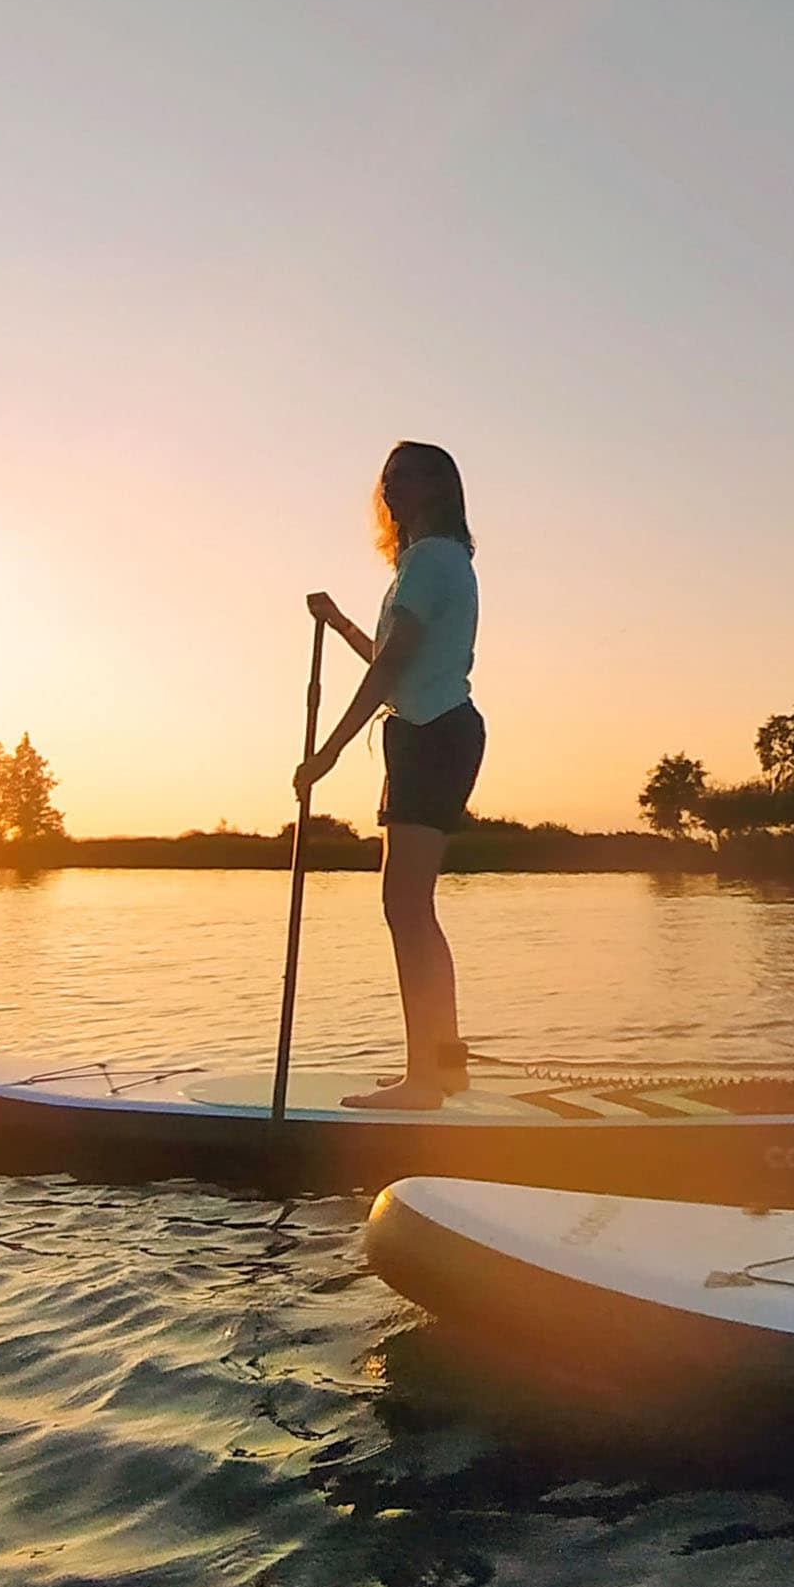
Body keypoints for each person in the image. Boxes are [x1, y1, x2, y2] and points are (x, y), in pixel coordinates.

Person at [296, 441, 485, 1110]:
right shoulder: (430, 562)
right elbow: (387, 654)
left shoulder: (432, 561)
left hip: (432, 733)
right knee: (414, 908)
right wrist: (341, 621)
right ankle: (444, 1068)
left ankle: (425, 1081)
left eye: (407, 477)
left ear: (438, 489)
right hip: (429, 731)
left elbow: (388, 671)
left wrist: (330, 751)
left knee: (405, 907)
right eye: (388, 479)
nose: (392, 489)